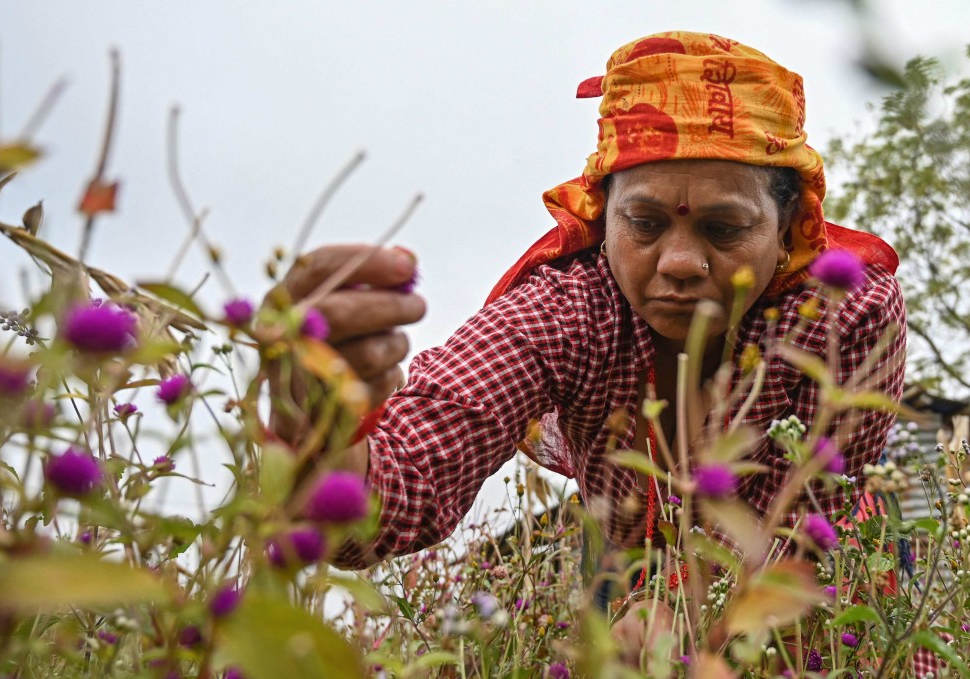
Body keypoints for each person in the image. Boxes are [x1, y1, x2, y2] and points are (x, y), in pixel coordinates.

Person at [270, 31, 905, 584]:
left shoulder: (849, 313)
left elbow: (794, 529)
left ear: (788, 224)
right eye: (645, 223)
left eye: (724, 228)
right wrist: (321, 424)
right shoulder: (563, 313)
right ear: (601, 217)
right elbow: (380, 510)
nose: (679, 262)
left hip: (824, 573)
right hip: (632, 571)